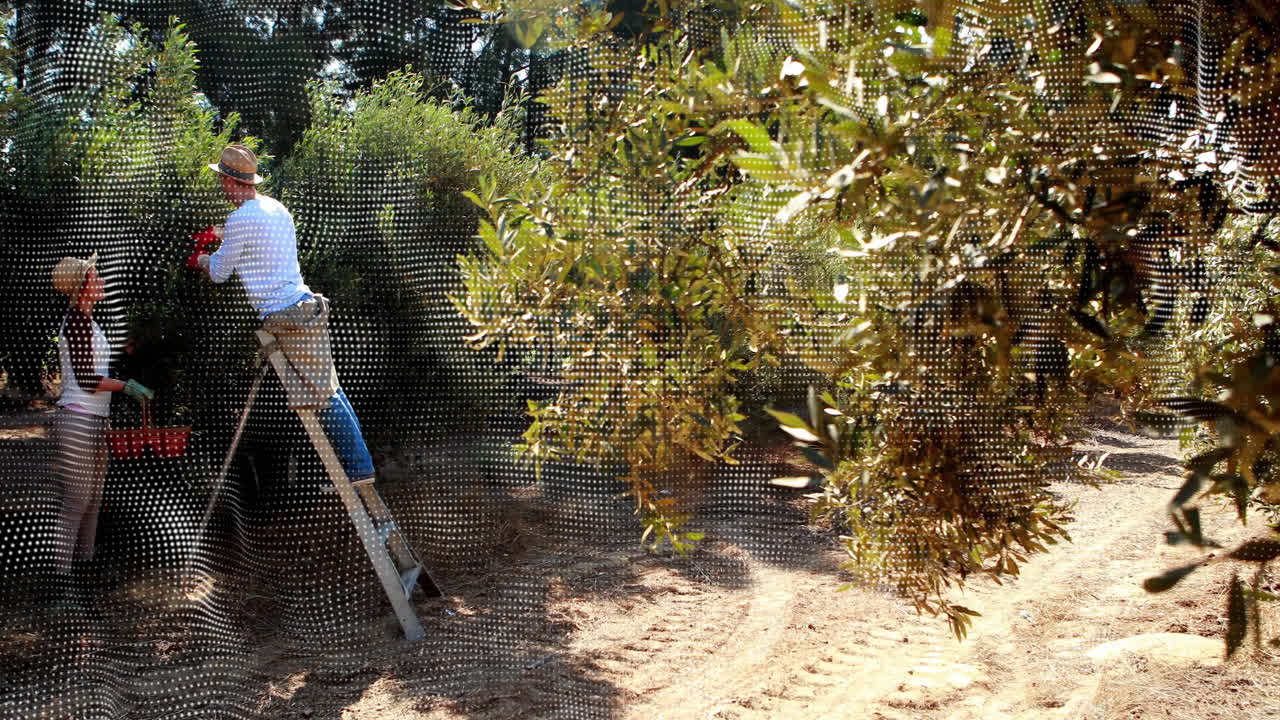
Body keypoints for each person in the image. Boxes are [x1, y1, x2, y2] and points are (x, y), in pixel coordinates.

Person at [193, 144, 375, 485]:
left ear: (232, 182)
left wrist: (200, 258)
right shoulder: (275, 208)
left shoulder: (239, 218)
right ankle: (358, 462)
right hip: (305, 306)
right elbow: (260, 248)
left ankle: (358, 467)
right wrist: (222, 235)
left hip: (285, 316)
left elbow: (219, 272)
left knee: (323, 395)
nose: (221, 188)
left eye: (222, 181)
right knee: (331, 388)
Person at [49, 253, 153, 605]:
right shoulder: (77, 322)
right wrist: (126, 386)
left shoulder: (87, 321)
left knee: (92, 500)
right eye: (96, 277)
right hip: (78, 417)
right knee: (77, 501)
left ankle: (85, 570)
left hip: (93, 419)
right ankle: (62, 583)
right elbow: (88, 380)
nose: (102, 281)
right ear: (83, 287)